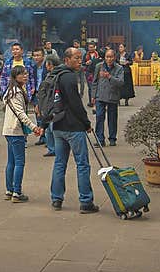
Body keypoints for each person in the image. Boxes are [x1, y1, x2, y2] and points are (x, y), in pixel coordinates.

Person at [48, 48, 99, 214]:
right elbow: (76, 103)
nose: (79, 61)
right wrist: (86, 122)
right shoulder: (69, 77)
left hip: (58, 125)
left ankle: (56, 198)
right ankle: (86, 201)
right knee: (82, 164)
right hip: (73, 127)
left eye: (80, 58)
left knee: (59, 163)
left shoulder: (56, 74)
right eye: (76, 58)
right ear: (67, 59)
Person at [2, 65, 44, 203]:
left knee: (12, 161)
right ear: (15, 77)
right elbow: (20, 113)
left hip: (8, 130)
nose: (25, 76)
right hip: (15, 130)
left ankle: (9, 190)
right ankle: (16, 192)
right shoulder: (17, 92)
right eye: (22, 74)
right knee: (19, 162)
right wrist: (33, 127)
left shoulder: (11, 91)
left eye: (26, 74)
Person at [93, 49, 124, 147]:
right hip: (100, 95)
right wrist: (93, 96)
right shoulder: (99, 66)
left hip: (113, 96)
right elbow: (94, 82)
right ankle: (100, 139)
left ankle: (112, 138)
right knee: (99, 117)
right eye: (107, 57)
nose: (109, 59)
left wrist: (110, 77)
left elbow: (121, 82)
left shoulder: (119, 68)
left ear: (114, 58)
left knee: (112, 118)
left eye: (111, 57)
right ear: (104, 57)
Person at [35, 53, 61, 157]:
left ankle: (56, 149)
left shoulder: (57, 77)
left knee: (52, 127)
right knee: (49, 129)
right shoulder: (48, 75)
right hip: (46, 106)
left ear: (50, 65)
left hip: (53, 106)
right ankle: (52, 149)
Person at [31, 47, 48, 145]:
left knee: (45, 115)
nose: (36, 57)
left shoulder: (47, 67)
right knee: (38, 115)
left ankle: (49, 139)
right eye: (35, 55)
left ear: (43, 56)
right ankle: (42, 136)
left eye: (38, 55)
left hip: (45, 94)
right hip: (36, 93)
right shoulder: (33, 68)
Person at [83, 41, 100, 107]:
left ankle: (96, 100)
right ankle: (91, 101)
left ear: (95, 47)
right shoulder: (86, 55)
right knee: (90, 87)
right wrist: (86, 63)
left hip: (96, 72)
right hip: (88, 72)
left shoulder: (97, 54)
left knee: (96, 87)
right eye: (89, 47)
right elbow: (83, 63)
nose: (90, 49)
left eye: (92, 47)